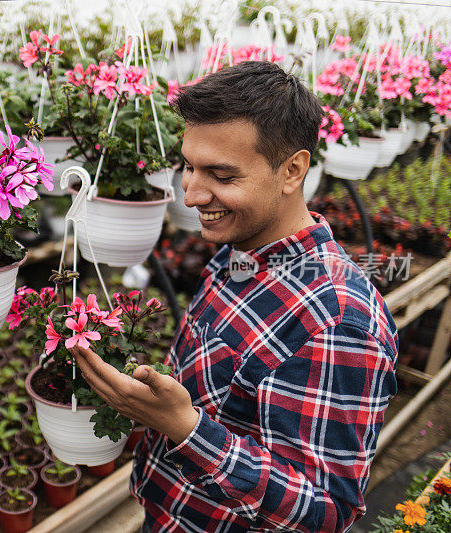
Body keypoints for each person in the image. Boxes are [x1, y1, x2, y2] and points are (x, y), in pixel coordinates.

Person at [71, 61, 399, 532]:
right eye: (188, 166)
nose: (191, 195)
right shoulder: (241, 251)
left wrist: (186, 429)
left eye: (222, 176)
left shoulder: (338, 323)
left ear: (292, 170)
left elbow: (327, 513)